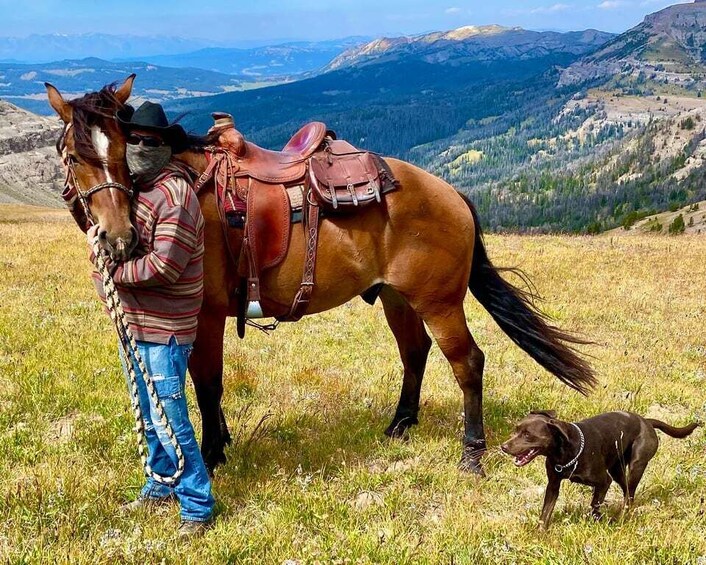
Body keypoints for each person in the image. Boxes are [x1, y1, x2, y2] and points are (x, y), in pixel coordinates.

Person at [87, 101, 214, 538]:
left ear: (165, 146)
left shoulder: (175, 195)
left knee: (169, 416)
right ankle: (161, 482)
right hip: (138, 325)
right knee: (147, 410)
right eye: (135, 140)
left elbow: (165, 265)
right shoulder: (136, 190)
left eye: (151, 141)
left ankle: (197, 503)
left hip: (166, 329)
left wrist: (115, 275)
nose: (141, 146)